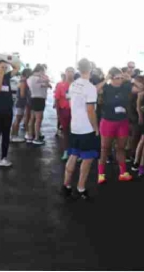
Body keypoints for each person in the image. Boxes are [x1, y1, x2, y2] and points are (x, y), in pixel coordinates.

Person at [62, 58, 100, 200]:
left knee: (73, 155)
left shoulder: (73, 84)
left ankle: (66, 185)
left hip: (75, 126)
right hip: (86, 128)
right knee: (87, 159)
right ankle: (81, 188)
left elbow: (70, 103)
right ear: (90, 69)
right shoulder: (90, 87)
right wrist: (96, 128)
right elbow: (90, 110)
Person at [98, 67, 134, 184]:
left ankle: (123, 173)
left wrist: (131, 79)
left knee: (121, 148)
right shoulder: (106, 88)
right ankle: (101, 174)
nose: (119, 80)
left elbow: (141, 88)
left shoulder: (126, 86)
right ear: (112, 78)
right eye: (117, 78)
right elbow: (95, 90)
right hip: (108, 122)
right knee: (105, 148)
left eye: (121, 78)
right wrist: (105, 79)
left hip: (122, 122)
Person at [27, 64, 51, 145]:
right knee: (38, 119)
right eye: (43, 71)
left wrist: (46, 83)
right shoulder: (39, 78)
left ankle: (30, 136)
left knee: (32, 118)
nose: (44, 72)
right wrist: (44, 78)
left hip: (33, 99)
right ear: (40, 71)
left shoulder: (30, 78)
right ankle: (36, 138)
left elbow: (45, 85)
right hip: (39, 100)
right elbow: (47, 82)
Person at [10, 68, 31, 144]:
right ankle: (14, 136)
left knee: (18, 119)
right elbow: (22, 94)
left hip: (20, 103)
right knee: (18, 119)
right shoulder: (23, 81)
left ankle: (13, 135)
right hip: (20, 103)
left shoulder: (22, 80)